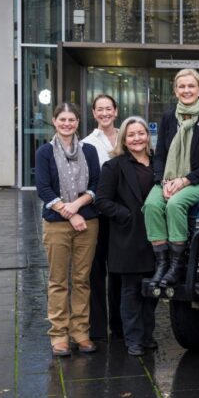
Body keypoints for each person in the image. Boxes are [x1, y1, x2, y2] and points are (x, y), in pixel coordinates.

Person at [143, 68, 199, 289]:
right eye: (182, 86)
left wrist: (185, 180)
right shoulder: (169, 118)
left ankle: (177, 266)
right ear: (175, 90)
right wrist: (163, 181)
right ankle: (162, 263)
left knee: (175, 204)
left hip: (198, 181)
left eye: (191, 86)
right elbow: (159, 154)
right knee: (151, 204)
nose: (186, 90)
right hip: (169, 178)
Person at [35, 103, 101, 357]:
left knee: (82, 279)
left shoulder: (90, 151)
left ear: (77, 122)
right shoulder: (44, 153)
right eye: (62, 119)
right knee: (58, 280)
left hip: (87, 221)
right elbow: (44, 189)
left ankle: (80, 332)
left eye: (71, 119)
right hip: (57, 224)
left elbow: (95, 184)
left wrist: (76, 207)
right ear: (54, 121)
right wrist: (69, 213)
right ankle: (59, 334)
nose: (67, 123)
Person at [95, 117, 158, 357]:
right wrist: (126, 215)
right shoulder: (114, 166)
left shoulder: (157, 164)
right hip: (128, 238)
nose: (137, 138)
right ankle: (133, 340)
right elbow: (102, 201)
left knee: (152, 290)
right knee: (131, 291)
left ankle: (147, 336)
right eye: (131, 135)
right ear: (124, 139)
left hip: (154, 237)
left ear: (147, 135)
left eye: (141, 133)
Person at [82, 94, 123, 341]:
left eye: (109, 109)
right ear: (94, 113)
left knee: (118, 271)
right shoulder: (87, 143)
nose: (105, 113)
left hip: (122, 213)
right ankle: (97, 328)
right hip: (98, 214)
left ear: (116, 111)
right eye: (100, 110)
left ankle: (118, 327)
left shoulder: (127, 136)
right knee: (96, 272)